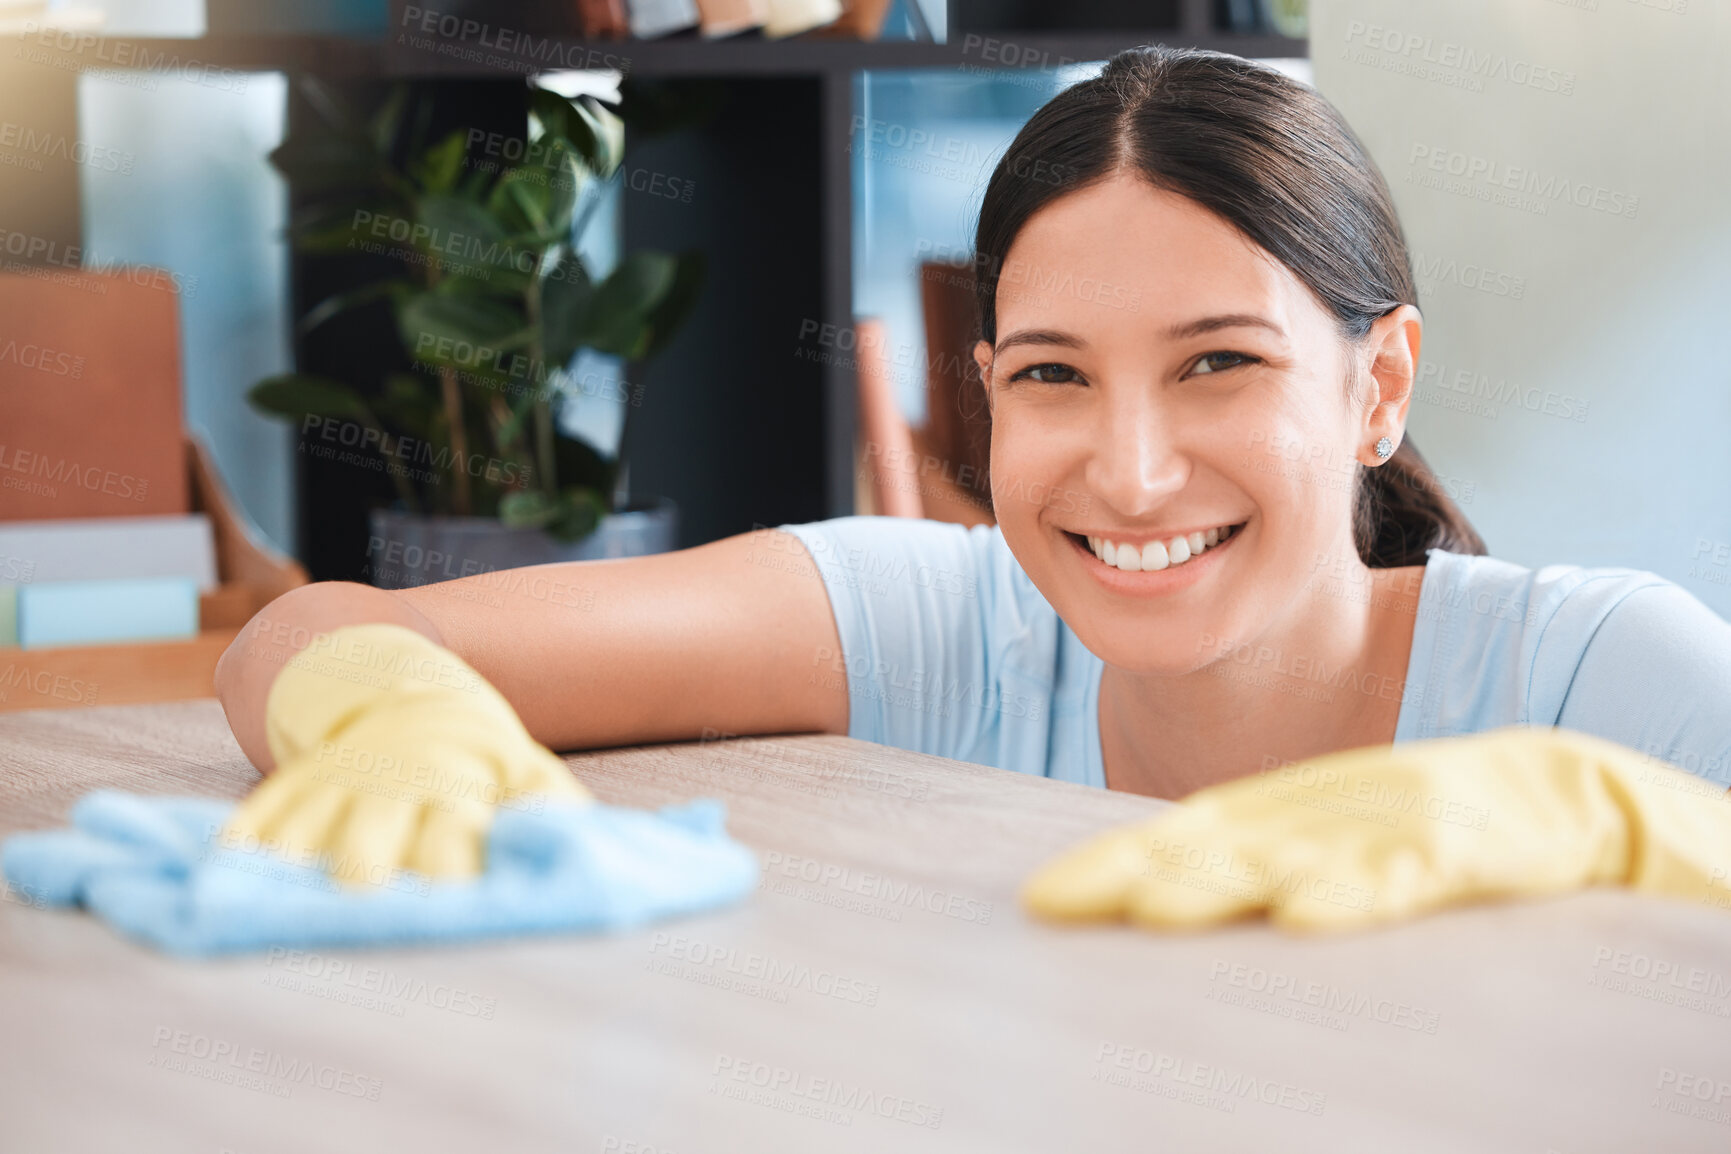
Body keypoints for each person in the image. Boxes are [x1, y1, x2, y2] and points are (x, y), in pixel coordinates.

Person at [215, 46, 1731, 801]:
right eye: (1056, 377)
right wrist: (398, 731)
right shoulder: (939, 630)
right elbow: (299, 640)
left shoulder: (1603, 688)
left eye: (1218, 366)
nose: (1131, 474)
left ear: (1378, 386)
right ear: (989, 390)